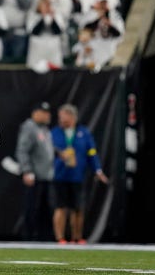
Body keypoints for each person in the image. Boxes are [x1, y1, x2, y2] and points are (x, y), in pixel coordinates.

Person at [51, 103, 108, 244]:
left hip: (77, 176)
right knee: (61, 207)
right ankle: (60, 238)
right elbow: (46, 152)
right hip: (60, 175)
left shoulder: (84, 132)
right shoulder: (54, 132)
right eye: (59, 117)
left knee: (78, 208)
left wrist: (98, 170)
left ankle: (77, 237)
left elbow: (92, 153)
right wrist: (59, 155)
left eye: (63, 117)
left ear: (72, 117)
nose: (61, 120)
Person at [16, 101, 55, 241]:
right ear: (36, 113)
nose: (47, 115)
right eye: (44, 113)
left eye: (48, 113)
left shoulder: (44, 128)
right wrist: (27, 171)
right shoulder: (29, 127)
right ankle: (29, 237)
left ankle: (43, 237)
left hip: (46, 176)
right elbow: (22, 151)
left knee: (45, 209)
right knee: (32, 208)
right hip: (35, 176)